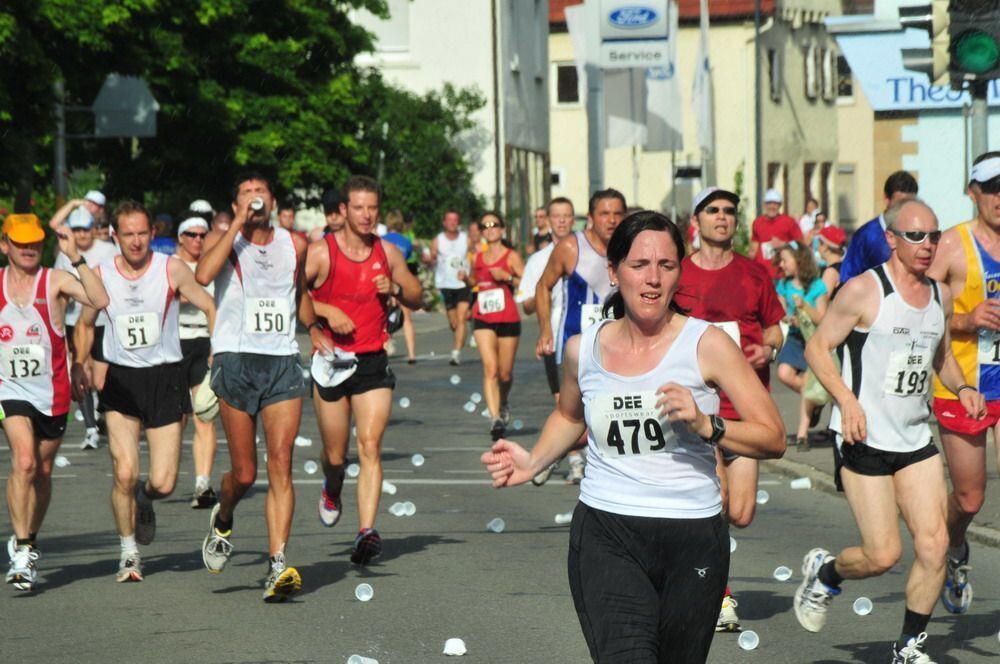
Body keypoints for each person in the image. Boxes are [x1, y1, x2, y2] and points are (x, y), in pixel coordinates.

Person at [482, 211, 785, 663]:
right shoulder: (582, 350)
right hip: (608, 528)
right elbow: (569, 416)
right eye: (639, 265)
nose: (653, 279)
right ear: (613, 271)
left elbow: (773, 437)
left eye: (666, 265)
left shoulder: (707, 344)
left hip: (693, 534)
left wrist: (708, 425)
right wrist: (533, 462)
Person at [795, 198, 983, 663]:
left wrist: (961, 389)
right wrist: (846, 400)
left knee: (936, 542)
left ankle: (907, 647)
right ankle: (826, 573)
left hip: (915, 438)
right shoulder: (864, 290)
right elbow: (819, 349)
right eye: (915, 235)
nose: (926, 245)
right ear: (893, 240)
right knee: (881, 555)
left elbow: (941, 358)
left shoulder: (940, 294)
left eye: (933, 235)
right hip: (865, 437)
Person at [73, 200, 214, 584]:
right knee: (125, 472)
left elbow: (209, 305)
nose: (136, 241)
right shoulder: (101, 273)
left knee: (164, 482)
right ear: (115, 236)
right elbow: (85, 323)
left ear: (153, 233)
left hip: (166, 377)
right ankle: (129, 554)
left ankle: (145, 499)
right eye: (128, 234)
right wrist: (80, 363)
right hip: (121, 380)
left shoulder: (171, 268)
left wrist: (220, 352)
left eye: (142, 233)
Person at [673, 187, 786, 633]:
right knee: (713, 502)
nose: (722, 218)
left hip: (744, 411)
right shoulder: (677, 275)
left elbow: (776, 330)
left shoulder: (754, 274)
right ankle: (718, 595)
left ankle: (694, 575)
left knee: (739, 513)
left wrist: (766, 352)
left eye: (729, 212)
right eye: (713, 211)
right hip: (698, 410)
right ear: (696, 221)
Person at [195, 172, 308, 602]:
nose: (254, 197)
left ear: (273, 201)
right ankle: (224, 517)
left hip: (281, 362)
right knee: (245, 473)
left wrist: (318, 326)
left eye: (260, 192)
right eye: (245, 192)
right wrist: (235, 223)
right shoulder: (225, 241)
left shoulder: (293, 244)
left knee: (282, 461)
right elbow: (204, 274)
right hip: (235, 360)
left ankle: (277, 563)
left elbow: (298, 297)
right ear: (236, 201)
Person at [304, 175, 422, 566]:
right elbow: (292, 295)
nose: (367, 215)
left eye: (373, 207)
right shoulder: (321, 253)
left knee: (370, 446)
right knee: (336, 457)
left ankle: (366, 531)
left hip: (372, 360)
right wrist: (321, 316)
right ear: (344, 210)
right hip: (332, 362)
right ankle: (332, 488)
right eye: (359, 208)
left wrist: (397, 288)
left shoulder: (387, 252)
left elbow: (417, 296)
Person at [2, 214, 109, 591]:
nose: (29, 249)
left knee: (43, 471)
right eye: (21, 243)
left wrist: (75, 257)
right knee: (25, 460)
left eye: (34, 242)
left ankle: (28, 536)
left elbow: (100, 299)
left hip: (54, 392)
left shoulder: (56, 280)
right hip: (9, 389)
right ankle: (22, 550)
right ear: (5, 245)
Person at [925, 151, 1000, 616]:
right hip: (964, 384)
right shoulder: (951, 246)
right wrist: (967, 319)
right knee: (970, 495)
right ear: (972, 193)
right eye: (991, 188)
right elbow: (921, 313)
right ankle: (954, 545)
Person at [534, 189, 625, 484]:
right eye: (604, 214)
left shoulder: (630, 248)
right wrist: (546, 329)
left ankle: (554, 453)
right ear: (591, 217)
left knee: (602, 416)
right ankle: (559, 455)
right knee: (571, 413)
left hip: (617, 348)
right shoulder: (571, 248)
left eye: (617, 214)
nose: (612, 220)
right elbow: (542, 287)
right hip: (573, 344)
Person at [49, 204, 118, 451]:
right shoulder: (62, 255)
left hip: (105, 322)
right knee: (81, 372)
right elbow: (57, 294)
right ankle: (91, 429)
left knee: (100, 380)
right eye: (76, 230)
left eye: (86, 229)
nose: (82, 235)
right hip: (74, 322)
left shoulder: (108, 250)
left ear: (93, 229)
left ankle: (105, 412)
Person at [516, 197, 575, 484]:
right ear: (547, 221)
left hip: (587, 338)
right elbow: (526, 301)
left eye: (567, 216)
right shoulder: (538, 260)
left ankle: (556, 454)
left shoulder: (588, 254)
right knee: (565, 405)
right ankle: (566, 457)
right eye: (557, 216)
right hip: (555, 338)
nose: (562, 221)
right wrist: (541, 299)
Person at [174, 213, 218, 508]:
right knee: (175, 420)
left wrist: (218, 345)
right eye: (192, 234)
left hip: (204, 342)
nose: (198, 240)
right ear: (180, 237)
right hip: (173, 344)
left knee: (204, 414)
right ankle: (161, 479)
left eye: (203, 235)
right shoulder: (169, 266)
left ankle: (202, 484)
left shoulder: (214, 265)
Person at [467, 212, 523, 440]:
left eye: (494, 225)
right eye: (485, 226)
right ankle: (495, 418)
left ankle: (503, 400)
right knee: (490, 369)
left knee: (505, 374)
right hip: (482, 316)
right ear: (481, 231)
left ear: (502, 229)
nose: (490, 229)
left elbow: (527, 283)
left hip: (508, 316)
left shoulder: (512, 256)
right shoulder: (477, 257)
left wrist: (507, 277)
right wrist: (465, 280)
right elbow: (475, 281)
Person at [774, 242, 829, 448]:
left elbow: (822, 319)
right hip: (795, 338)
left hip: (813, 340)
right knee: (784, 373)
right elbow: (780, 311)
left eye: (785, 260)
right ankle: (816, 400)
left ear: (799, 260)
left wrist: (804, 307)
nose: (781, 264)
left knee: (807, 382)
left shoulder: (817, 286)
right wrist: (788, 318)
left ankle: (802, 435)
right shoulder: (784, 285)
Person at [839, 171, 919, 283]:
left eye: (909, 203)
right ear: (887, 199)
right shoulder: (865, 236)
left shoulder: (920, 235)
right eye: (899, 203)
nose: (904, 209)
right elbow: (848, 279)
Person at [427, 211, 470, 366]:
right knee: (454, 323)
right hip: (446, 284)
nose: (452, 223)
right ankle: (462, 333)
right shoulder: (438, 240)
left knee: (461, 318)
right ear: (444, 222)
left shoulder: (466, 239)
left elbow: (476, 254)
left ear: (458, 222)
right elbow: (431, 260)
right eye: (449, 220)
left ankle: (456, 353)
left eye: (455, 220)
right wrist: (429, 260)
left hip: (463, 283)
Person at [382, 209, 418, 363]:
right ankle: (411, 353)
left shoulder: (381, 240)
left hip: (384, 279)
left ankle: (384, 345)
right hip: (401, 279)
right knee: (407, 318)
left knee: (381, 316)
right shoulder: (406, 242)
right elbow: (408, 258)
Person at [750, 188, 803, 280]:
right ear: (765, 205)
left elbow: (801, 244)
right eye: (769, 203)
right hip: (761, 273)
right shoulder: (757, 222)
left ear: (780, 205)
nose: (772, 207)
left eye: (775, 204)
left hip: (782, 273)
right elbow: (754, 246)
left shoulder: (788, 221)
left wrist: (783, 244)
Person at [816, 225, 847, 294]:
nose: (817, 247)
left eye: (818, 243)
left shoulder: (831, 272)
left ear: (825, 247)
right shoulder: (844, 266)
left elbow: (822, 302)